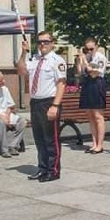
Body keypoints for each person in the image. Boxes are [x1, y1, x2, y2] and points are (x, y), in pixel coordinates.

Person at [17, 31, 66, 182]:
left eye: (45, 41)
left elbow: (62, 84)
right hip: (36, 102)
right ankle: (42, 168)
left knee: (51, 139)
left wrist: (55, 105)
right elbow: (21, 71)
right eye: (39, 42)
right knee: (39, 138)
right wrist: (23, 53)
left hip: (49, 102)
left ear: (52, 43)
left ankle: (53, 170)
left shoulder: (57, 60)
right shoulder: (34, 59)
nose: (42, 45)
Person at [75, 38, 108, 154]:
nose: (89, 51)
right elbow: (79, 73)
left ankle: (100, 144)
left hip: (97, 84)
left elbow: (94, 74)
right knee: (90, 116)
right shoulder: (86, 58)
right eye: (86, 49)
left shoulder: (101, 58)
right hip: (87, 84)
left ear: (97, 47)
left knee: (98, 116)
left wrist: (85, 62)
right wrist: (80, 61)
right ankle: (94, 143)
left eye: (91, 49)